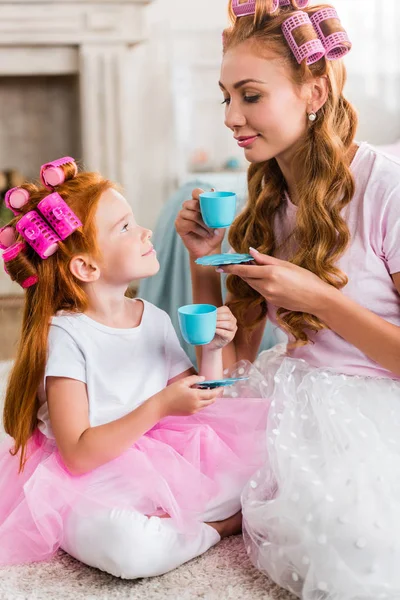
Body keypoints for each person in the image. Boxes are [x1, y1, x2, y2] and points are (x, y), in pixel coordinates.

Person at [175, 1, 400, 598]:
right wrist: (204, 258)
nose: (231, 116)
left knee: (347, 542)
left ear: (314, 92)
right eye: (225, 96)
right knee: (166, 478)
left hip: (374, 411)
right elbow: (226, 371)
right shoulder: (268, 205)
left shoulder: (387, 189)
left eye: (250, 95)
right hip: (283, 394)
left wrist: (319, 299)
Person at [0, 157, 269, 579]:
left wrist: (214, 349)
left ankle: (179, 521)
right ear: (86, 267)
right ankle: (217, 528)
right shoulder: (66, 336)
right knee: (130, 550)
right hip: (89, 476)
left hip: (153, 459)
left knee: (265, 473)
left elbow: (197, 397)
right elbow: (78, 454)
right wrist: (161, 405)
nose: (145, 232)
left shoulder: (152, 317)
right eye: (124, 227)